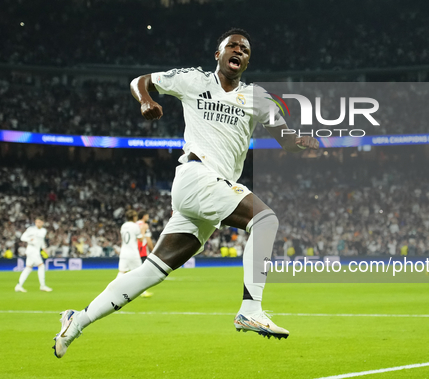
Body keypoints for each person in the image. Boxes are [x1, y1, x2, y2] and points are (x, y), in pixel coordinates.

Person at [53, 28, 319, 358]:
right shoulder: (194, 80)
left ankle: (75, 321)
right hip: (196, 176)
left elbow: (285, 137)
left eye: (245, 49)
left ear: (248, 61)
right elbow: (140, 80)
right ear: (217, 55)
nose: (238, 50)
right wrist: (146, 100)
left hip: (209, 191)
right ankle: (251, 309)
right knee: (265, 219)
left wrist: (301, 142)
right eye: (231, 46)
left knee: (152, 270)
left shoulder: (258, 98)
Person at [15, 216, 53, 292]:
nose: (37, 224)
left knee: (28, 268)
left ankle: (18, 285)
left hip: (36, 250)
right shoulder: (31, 229)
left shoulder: (43, 231)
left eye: (39, 222)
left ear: (42, 223)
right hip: (31, 250)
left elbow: (41, 240)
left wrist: (44, 248)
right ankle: (42, 286)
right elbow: (22, 237)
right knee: (41, 266)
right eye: (36, 222)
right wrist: (29, 239)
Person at [117, 210, 144, 277]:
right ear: (134, 217)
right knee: (139, 272)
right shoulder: (135, 226)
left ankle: (117, 286)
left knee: (122, 272)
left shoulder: (123, 226)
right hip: (133, 252)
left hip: (123, 252)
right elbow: (141, 239)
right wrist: (143, 230)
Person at [136, 210, 154, 297]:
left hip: (134, 250)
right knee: (142, 272)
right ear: (144, 216)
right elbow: (148, 239)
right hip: (142, 251)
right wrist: (153, 250)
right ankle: (142, 292)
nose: (148, 217)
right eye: (147, 216)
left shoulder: (135, 225)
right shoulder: (144, 226)